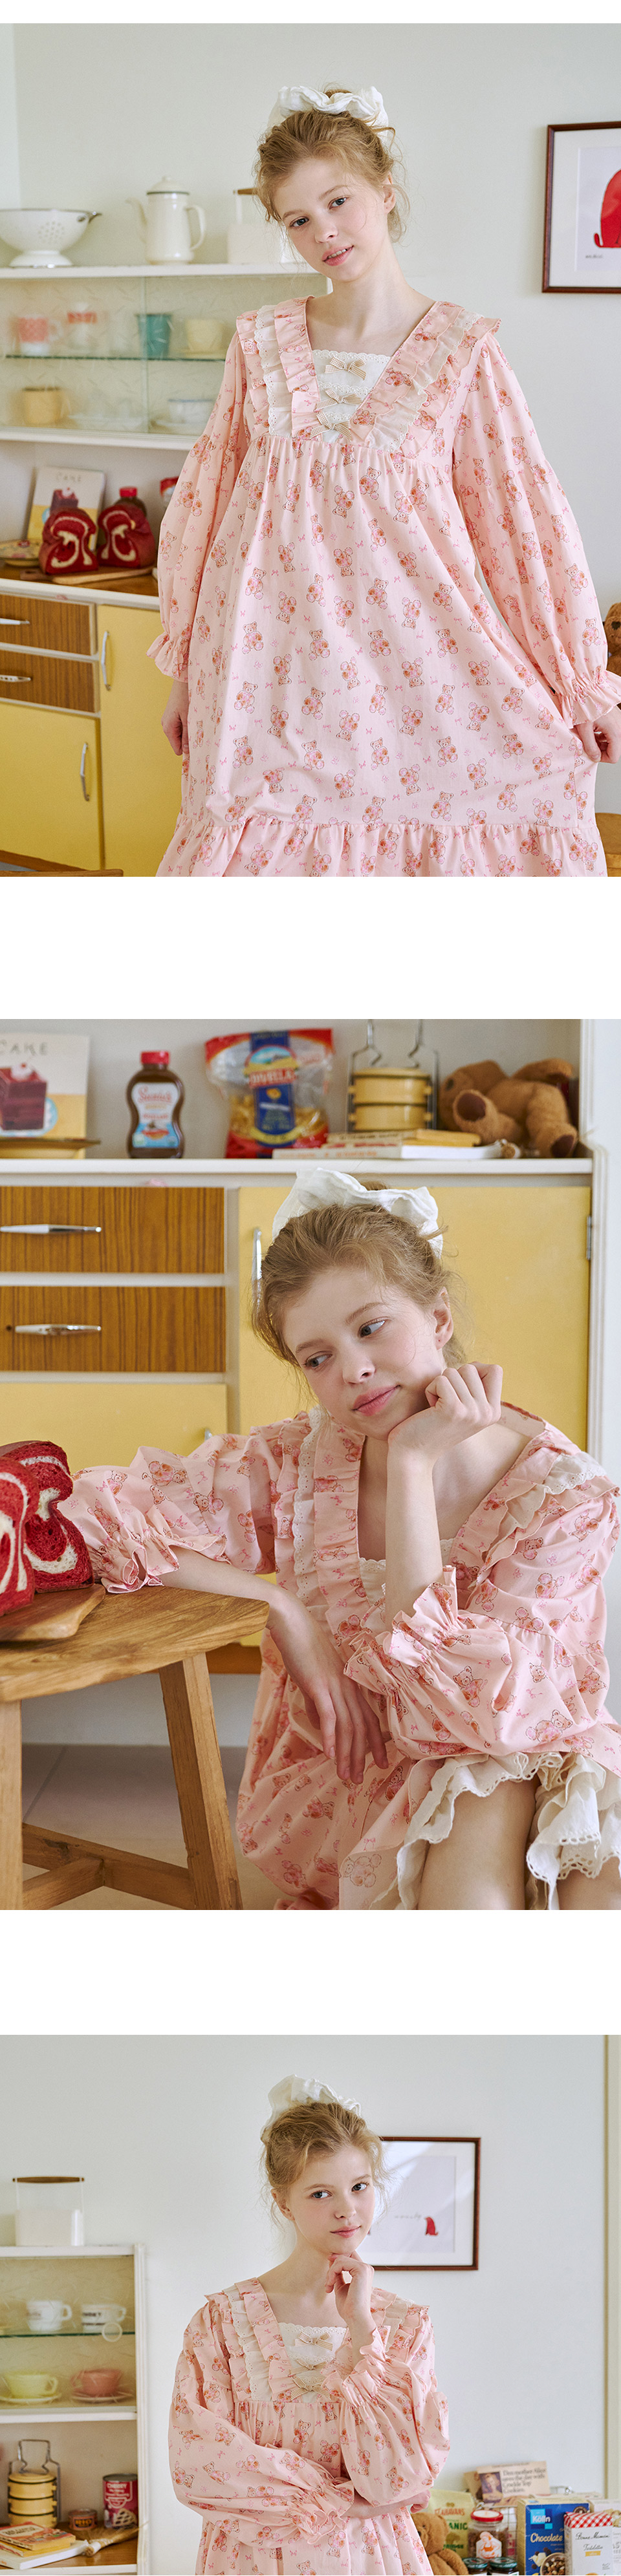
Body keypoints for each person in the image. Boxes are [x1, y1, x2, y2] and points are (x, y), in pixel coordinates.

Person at [65, 1169, 621, 1911]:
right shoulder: (297, 1461)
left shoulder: (566, 1497)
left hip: (525, 1747)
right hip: (369, 1782)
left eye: (371, 1327)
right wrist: (279, 1610)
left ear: (439, 1316)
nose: (354, 1370)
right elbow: (88, 1516)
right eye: (317, 1358)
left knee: (590, 1889)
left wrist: (414, 1465)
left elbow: (473, 1720)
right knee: (479, 1880)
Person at [153, 82, 621, 877]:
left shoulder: (461, 350)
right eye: (298, 220)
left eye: (338, 201)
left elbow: (522, 527)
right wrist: (187, 671)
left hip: (420, 682)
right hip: (270, 682)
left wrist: (578, 685)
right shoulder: (258, 343)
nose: (324, 233)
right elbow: (207, 512)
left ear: (386, 191)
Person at [168, 2076, 450, 2573]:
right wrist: (340, 2500)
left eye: (360, 2187)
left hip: (375, 2560)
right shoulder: (221, 2325)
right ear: (283, 2202)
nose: (347, 2210)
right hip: (253, 2562)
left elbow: (402, 2479)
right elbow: (200, 2469)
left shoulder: (403, 2326)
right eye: (321, 2193)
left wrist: (361, 2326)